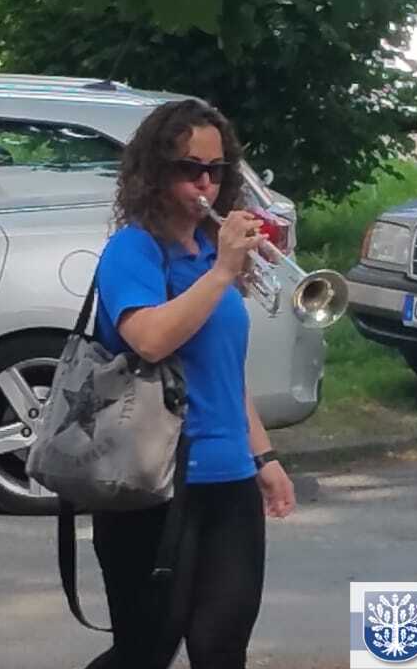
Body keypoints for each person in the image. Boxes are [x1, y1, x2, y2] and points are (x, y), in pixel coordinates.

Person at [85, 99, 296, 669]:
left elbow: (223, 370)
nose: (205, 183)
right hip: (155, 482)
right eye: (190, 169)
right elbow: (150, 339)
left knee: (221, 649)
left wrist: (265, 457)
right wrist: (223, 271)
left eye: (216, 170)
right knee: (145, 651)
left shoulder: (209, 250)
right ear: (155, 172)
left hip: (229, 479)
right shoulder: (133, 249)